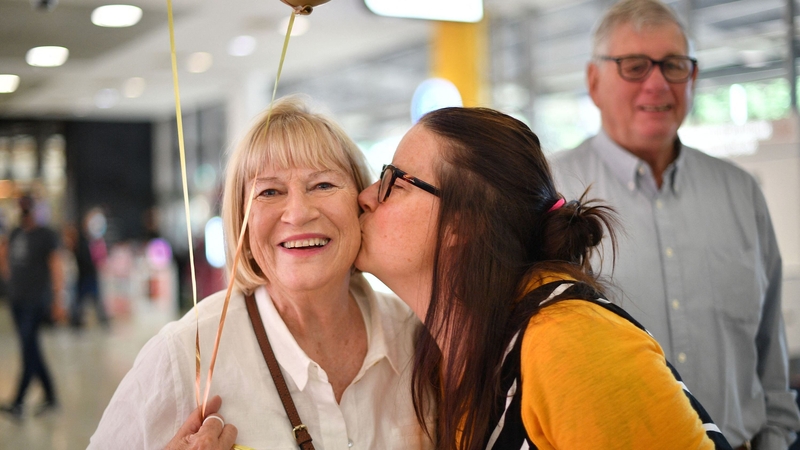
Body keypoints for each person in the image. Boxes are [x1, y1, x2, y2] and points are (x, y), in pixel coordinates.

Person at [355, 106, 732, 449]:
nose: (367, 196)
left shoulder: (571, 342)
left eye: (394, 181)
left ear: (464, 222)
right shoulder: (453, 356)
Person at [89, 97, 432, 449]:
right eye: (269, 191)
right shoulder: (184, 355)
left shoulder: (417, 338)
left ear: (360, 203)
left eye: (323, 185)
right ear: (244, 228)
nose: (298, 213)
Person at [549, 0, 800, 448]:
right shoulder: (550, 191)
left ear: (694, 77)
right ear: (593, 82)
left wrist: (777, 438)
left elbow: (769, 347)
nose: (658, 83)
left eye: (674, 65)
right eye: (634, 66)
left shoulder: (740, 192)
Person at [0, 194, 63, 420]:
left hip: (36, 301)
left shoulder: (46, 235)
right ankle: (51, 396)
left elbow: (57, 267)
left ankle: (18, 402)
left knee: (28, 348)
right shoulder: (16, 233)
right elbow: (5, 256)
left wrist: (58, 300)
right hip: (17, 299)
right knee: (31, 349)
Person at [69, 209, 109, 330]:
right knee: (81, 300)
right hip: (83, 274)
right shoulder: (80, 241)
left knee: (95, 300)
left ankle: (103, 320)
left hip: (90, 274)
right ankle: (76, 321)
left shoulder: (92, 241)